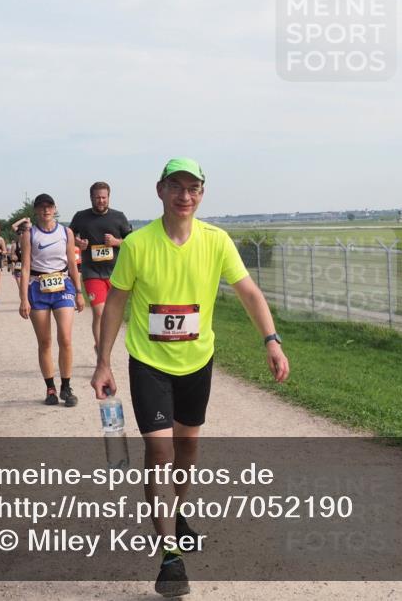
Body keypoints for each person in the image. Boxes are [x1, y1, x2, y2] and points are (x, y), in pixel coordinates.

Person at [91, 158, 289, 598]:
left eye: (193, 188)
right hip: (150, 362)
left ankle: (175, 514)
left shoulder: (216, 241)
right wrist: (103, 362)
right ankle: (170, 557)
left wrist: (271, 340)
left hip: (197, 363)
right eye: (176, 187)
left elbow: (249, 291)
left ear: (202, 193)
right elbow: (117, 302)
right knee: (159, 452)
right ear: (160, 190)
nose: (185, 196)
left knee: (187, 450)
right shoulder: (138, 244)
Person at [19, 194, 85, 407]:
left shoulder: (66, 232)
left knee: (65, 338)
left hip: (63, 286)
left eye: (49, 207)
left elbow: (73, 264)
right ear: (36, 210)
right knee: (45, 341)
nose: (46, 210)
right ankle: (50, 388)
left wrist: (79, 292)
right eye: (41, 207)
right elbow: (25, 268)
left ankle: (66, 387)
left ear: (55, 209)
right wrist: (23, 299)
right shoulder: (29, 234)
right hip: (38, 287)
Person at [69, 182, 132, 355]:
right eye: (97, 197)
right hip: (92, 272)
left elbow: (131, 242)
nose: (101, 201)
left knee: (112, 314)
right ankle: (102, 353)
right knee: (100, 313)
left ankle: (101, 347)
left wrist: (116, 242)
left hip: (115, 273)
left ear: (109, 197)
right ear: (91, 198)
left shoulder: (118, 217)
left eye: (104, 197)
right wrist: (77, 242)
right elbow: (68, 235)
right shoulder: (81, 217)